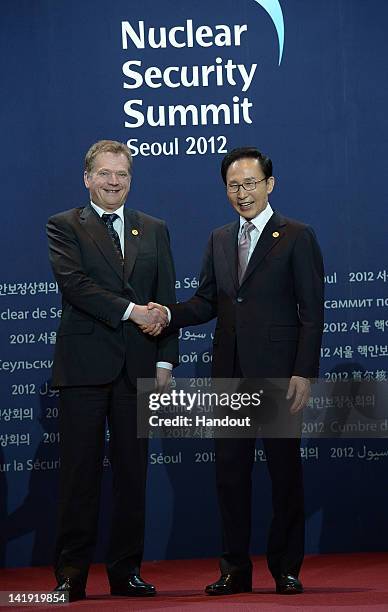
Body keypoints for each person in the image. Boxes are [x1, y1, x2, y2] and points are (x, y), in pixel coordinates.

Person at [145, 147, 324, 595]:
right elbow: (207, 301)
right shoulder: (220, 239)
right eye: (233, 185)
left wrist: (304, 372)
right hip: (229, 375)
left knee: (284, 475)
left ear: (270, 184)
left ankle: (286, 568)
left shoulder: (297, 236)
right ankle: (234, 569)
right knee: (230, 476)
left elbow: (312, 312)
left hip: (281, 376)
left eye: (250, 183)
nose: (242, 193)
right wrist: (167, 312)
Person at [46, 140, 178, 601]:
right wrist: (132, 312)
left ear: (131, 178)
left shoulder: (154, 229)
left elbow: (166, 294)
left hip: (138, 368)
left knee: (132, 475)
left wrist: (164, 359)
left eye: (122, 174)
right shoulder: (64, 226)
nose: (114, 181)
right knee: (79, 476)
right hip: (83, 369)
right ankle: (70, 575)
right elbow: (77, 287)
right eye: (105, 173)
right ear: (87, 177)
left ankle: (126, 571)